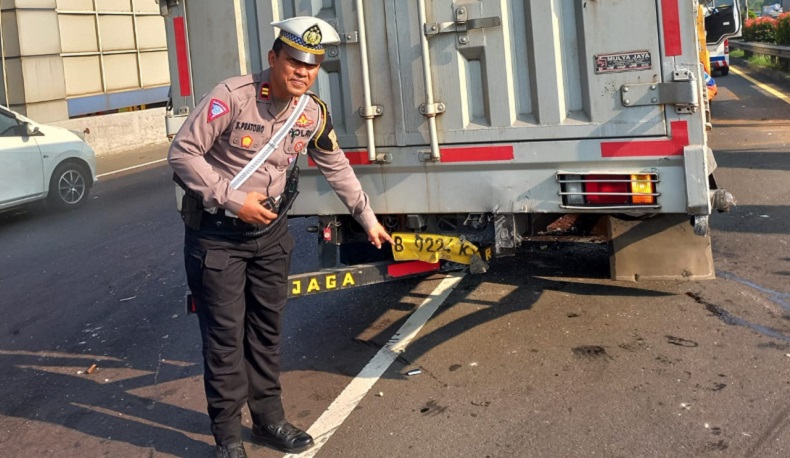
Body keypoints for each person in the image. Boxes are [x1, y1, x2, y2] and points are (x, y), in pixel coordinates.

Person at [168, 16, 393, 458]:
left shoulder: (310, 112)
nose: (303, 73)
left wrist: (367, 217)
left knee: (267, 334)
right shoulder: (232, 98)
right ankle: (228, 437)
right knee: (224, 340)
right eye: (294, 62)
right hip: (218, 237)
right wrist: (232, 199)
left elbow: (335, 165)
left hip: (270, 236)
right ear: (273, 58)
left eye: (312, 66)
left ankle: (269, 420)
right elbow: (183, 153)